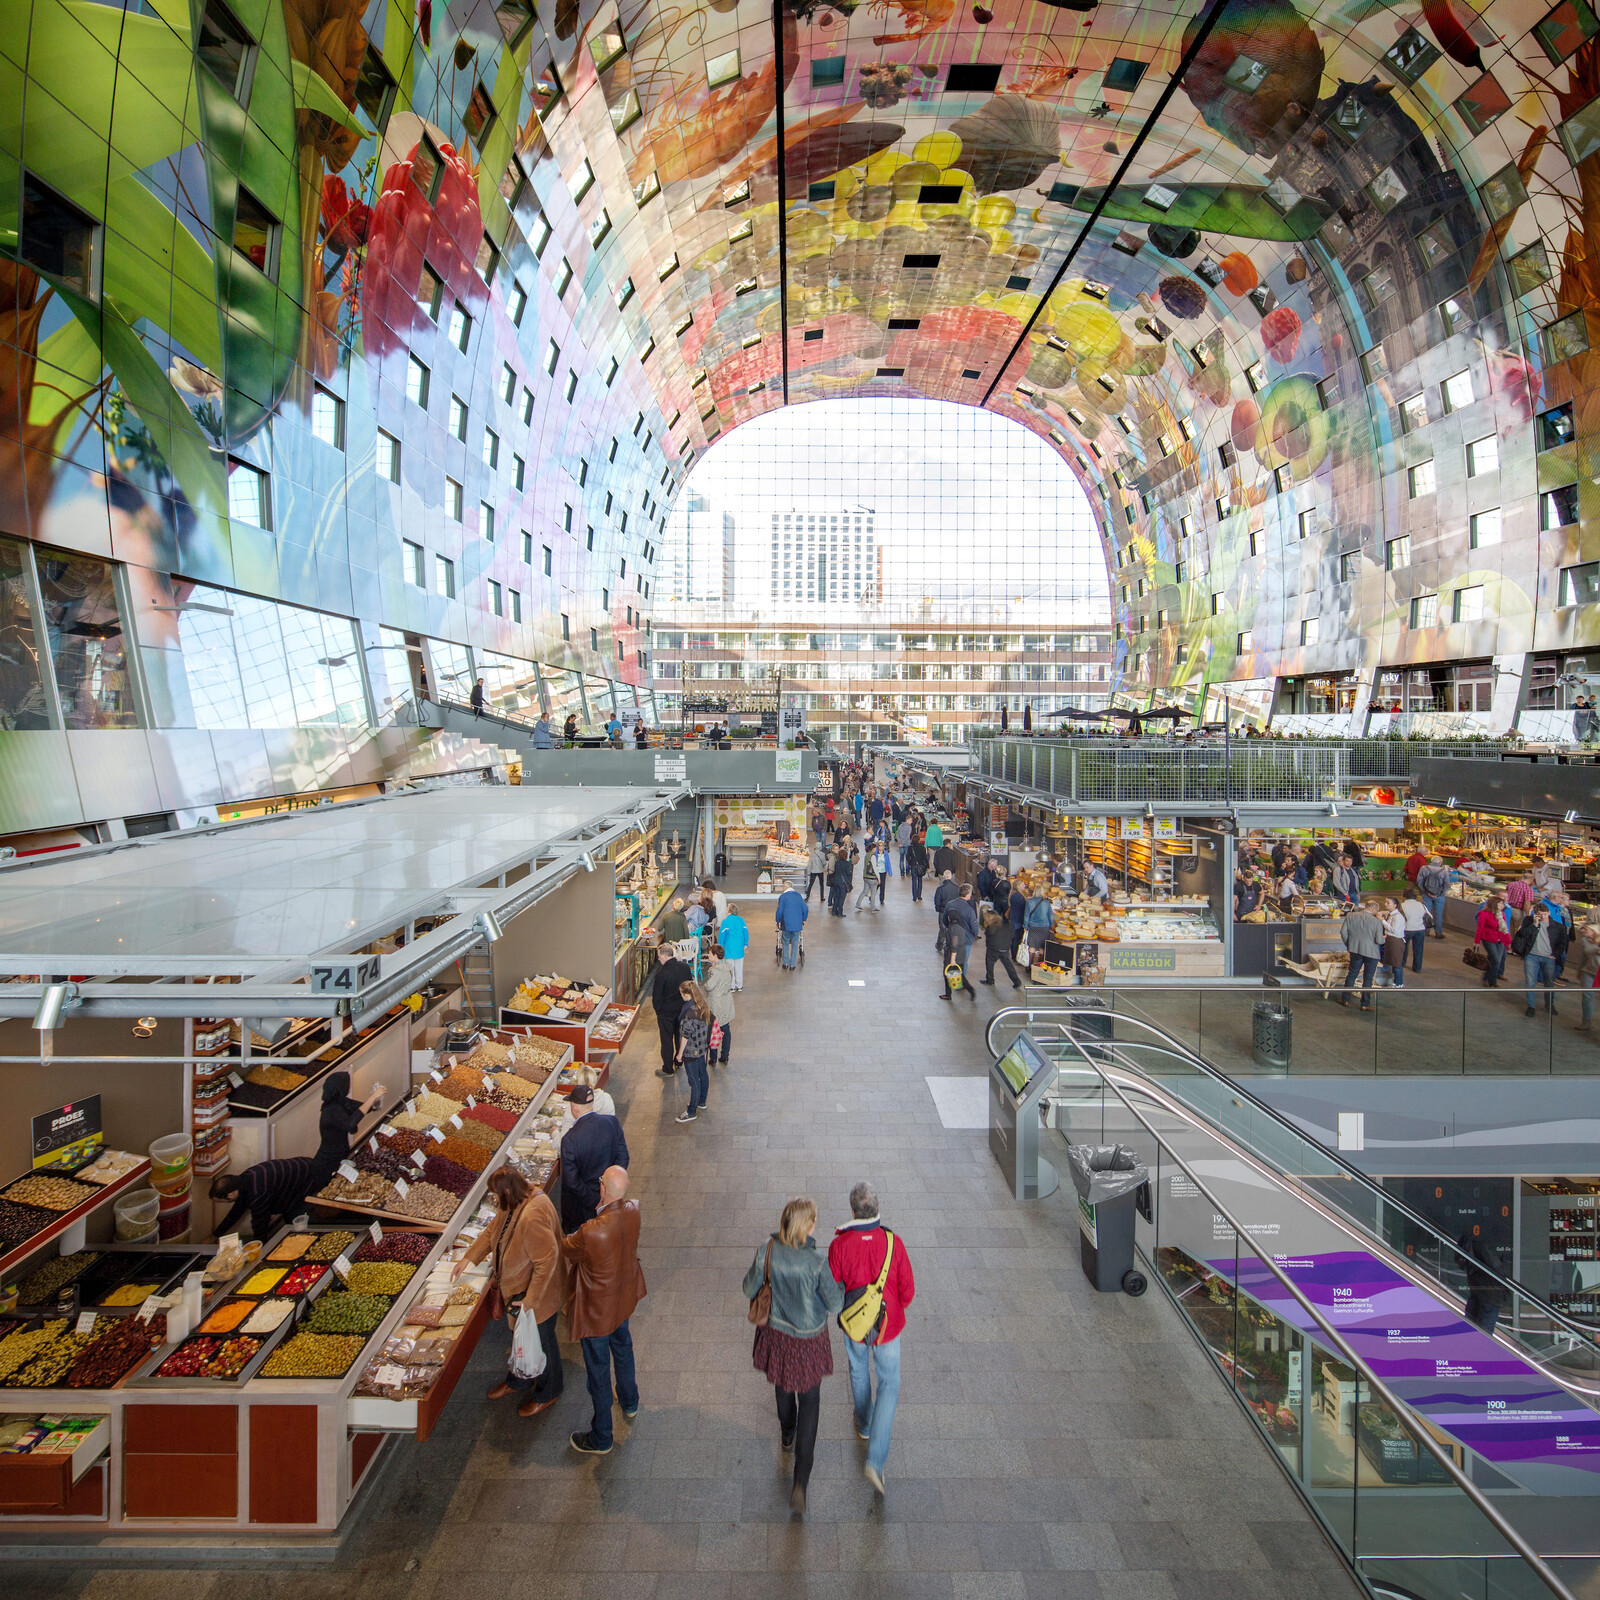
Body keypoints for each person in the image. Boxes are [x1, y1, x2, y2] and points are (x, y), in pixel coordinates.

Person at [743, 1196, 844, 1517]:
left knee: (781, 1383)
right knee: (810, 1402)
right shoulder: (816, 1263)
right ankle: (800, 1481)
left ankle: (786, 1432)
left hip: (776, 1332)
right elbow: (835, 1304)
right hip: (808, 1339)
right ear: (808, 1225)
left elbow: (748, 1289)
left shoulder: (767, 1250)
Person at [458, 1166, 568, 1416]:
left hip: (537, 1295)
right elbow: (493, 1230)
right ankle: (520, 1379)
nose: (495, 1200)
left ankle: (549, 1391)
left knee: (543, 1342)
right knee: (523, 1339)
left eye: (496, 1195)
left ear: (507, 1190)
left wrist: (531, 1300)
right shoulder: (517, 1199)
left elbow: (546, 1261)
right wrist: (469, 1258)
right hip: (520, 1292)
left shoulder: (532, 1215)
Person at [828, 1181, 915, 1496]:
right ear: (877, 1210)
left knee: (857, 1369)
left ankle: (863, 1424)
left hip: (855, 1325)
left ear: (852, 1212)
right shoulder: (894, 1243)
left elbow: (834, 1287)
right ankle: (876, 1461)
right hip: (888, 1326)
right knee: (889, 1384)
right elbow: (908, 1290)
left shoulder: (840, 1245)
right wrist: (894, 1308)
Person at [565, 1165, 645, 1456]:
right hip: (622, 1299)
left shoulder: (591, 1231)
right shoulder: (633, 1210)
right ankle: (630, 1400)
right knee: (623, 1348)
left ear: (602, 1189)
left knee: (598, 1371)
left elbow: (567, 1248)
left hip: (596, 1310)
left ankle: (601, 1437)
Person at [558, 1084, 629, 1231]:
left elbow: (572, 1181)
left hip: (581, 1209)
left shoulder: (569, 1140)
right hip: (610, 1200)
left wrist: (595, 1201)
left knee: (581, 1245)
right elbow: (622, 1159)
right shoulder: (612, 1123)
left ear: (574, 1108)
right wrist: (609, 1193)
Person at [210, 1158, 320, 1241]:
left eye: (221, 1201)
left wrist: (259, 1247)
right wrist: (215, 1235)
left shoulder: (257, 1192)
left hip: (309, 1178)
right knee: (289, 1223)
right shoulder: (244, 1179)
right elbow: (236, 1211)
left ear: (229, 1195)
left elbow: (260, 1223)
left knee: (297, 1229)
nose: (224, 1203)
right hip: (304, 1167)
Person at [313, 1070, 383, 1186]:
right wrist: (372, 1097)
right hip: (327, 1161)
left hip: (341, 1154)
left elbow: (366, 1108)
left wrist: (376, 1098)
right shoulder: (331, 1110)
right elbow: (350, 1124)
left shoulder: (341, 1101)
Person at [1512, 901, 1567, 1018]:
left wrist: (1555, 955)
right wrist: (1534, 925)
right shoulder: (1529, 921)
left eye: (1545, 914)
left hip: (1548, 958)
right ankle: (1531, 1006)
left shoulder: (1558, 927)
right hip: (1531, 956)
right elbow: (1521, 934)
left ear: (1549, 913)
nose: (1542, 917)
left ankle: (1550, 1005)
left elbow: (1562, 943)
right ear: (1535, 914)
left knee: (1549, 982)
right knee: (1530, 982)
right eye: (1539, 914)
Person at [674, 980, 712, 1123]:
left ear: (686, 994)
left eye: (681, 993)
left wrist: (679, 1054)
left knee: (693, 1080)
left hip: (691, 1050)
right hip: (701, 1048)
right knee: (703, 1074)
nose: (681, 996)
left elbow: (685, 1036)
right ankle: (702, 1101)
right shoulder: (702, 1005)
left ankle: (691, 1111)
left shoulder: (689, 1013)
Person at [651, 947, 693, 1074]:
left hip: (666, 1013)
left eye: (659, 956)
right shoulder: (684, 967)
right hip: (682, 1009)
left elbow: (657, 997)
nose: (658, 959)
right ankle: (679, 1060)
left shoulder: (661, 974)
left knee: (666, 1040)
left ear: (664, 956)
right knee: (679, 1036)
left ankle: (668, 1069)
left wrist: (659, 1011)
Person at [1337, 899, 1385, 1012]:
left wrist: (1349, 944)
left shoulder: (1350, 916)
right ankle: (1364, 1004)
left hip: (1355, 951)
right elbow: (1379, 940)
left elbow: (1343, 932)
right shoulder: (1377, 922)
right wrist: (1384, 939)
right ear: (1373, 909)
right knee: (1368, 978)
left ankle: (1345, 1000)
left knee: (1352, 974)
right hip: (1371, 953)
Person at [1458, 1230, 1508, 1337]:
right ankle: (1479, 1351)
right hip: (1491, 1293)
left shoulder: (1469, 1246)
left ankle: (1472, 1350)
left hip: (1477, 1290)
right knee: (1485, 1331)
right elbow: (1496, 1267)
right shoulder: (1483, 1246)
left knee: (1471, 1327)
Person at [939, 885, 980, 1002]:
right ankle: (961, 985)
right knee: (963, 964)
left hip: (954, 944)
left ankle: (953, 988)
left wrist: (949, 930)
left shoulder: (950, 904)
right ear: (968, 894)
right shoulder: (969, 909)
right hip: (966, 941)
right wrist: (972, 936)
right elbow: (974, 927)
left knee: (950, 968)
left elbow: (944, 920)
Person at [702, 944, 736, 1066]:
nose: (708, 955)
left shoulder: (715, 971)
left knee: (713, 1030)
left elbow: (710, 986)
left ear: (715, 956)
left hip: (716, 1003)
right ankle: (725, 1055)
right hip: (726, 1000)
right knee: (726, 1028)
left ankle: (713, 1057)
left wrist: (705, 985)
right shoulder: (727, 966)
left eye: (710, 954)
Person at [980, 907, 1024, 990]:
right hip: (1005, 948)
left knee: (989, 963)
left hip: (993, 949)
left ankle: (990, 979)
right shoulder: (1007, 924)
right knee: (1008, 965)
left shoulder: (991, 926)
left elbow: (988, 934)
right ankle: (1016, 981)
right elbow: (1012, 932)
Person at [1474, 894, 1511, 988]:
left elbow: (1504, 929)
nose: (1503, 906)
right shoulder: (1484, 914)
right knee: (1496, 959)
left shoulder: (1501, 914)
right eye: (1501, 904)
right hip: (1488, 939)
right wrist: (1477, 942)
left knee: (1493, 960)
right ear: (1495, 904)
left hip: (1500, 940)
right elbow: (1480, 928)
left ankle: (1491, 980)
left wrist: (1508, 942)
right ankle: (1489, 979)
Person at [1417, 856, 1452, 942]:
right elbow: (1447, 884)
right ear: (1440, 862)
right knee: (1438, 914)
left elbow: (1419, 881)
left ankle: (1426, 930)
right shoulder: (1444, 871)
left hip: (1426, 894)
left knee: (1426, 912)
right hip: (1439, 896)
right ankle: (1438, 932)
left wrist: (1425, 891)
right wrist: (1440, 894)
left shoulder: (1424, 868)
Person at [775, 881, 807, 970]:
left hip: (786, 924)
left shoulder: (783, 897)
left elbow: (779, 910)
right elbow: (805, 908)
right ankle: (792, 964)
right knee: (795, 942)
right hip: (797, 924)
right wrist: (803, 919)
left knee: (785, 942)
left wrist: (777, 920)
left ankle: (785, 963)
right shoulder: (798, 896)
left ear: (785, 887)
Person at [1575, 919, 1600, 1033]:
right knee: (1587, 996)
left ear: (1593, 931)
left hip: (1598, 973)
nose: (1583, 930)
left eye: (1586, 929)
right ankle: (1586, 1021)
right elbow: (1582, 957)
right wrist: (1579, 970)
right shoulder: (1584, 941)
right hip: (1588, 972)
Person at [716, 904, 748, 990]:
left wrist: (720, 946)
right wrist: (746, 943)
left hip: (729, 948)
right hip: (739, 948)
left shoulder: (725, 922)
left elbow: (722, 935)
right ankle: (739, 985)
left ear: (729, 911)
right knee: (739, 968)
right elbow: (745, 932)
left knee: (730, 969)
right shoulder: (741, 920)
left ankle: (732, 986)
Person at [1399, 887, 1429, 973]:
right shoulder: (1421, 904)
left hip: (1407, 929)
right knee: (1418, 949)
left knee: (1404, 947)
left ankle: (1402, 963)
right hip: (1420, 929)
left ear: (1404, 896)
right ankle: (1417, 967)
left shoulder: (1402, 905)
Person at [1381, 896, 1407, 989]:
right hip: (1390, 940)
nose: (1385, 904)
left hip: (1396, 941)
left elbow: (1394, 930)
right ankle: (1395, 981)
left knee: (1396, 963)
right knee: (1392, 961)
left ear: (1395, 905)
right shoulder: (1391, 914)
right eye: (1385, 902)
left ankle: (1398, 983)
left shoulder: (1398, 917)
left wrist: (1382, 921)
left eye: (1388, 903)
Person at [1023, 887, 1054, 958]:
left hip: (1033, 927)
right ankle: (1039, 965)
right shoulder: (1046, 902)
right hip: (1044, 927)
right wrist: (1050, 926)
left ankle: (1029, 966)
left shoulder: (1029, 901)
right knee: (1042, 947)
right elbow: (1051, 916)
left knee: (1032, 947)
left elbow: (1026, 916)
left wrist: (1026, 926)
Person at [828, 845, 853, 918]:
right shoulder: (847, 863)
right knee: (842, 898)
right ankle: (840, 912)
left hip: (836, 882)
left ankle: (834, 911)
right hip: (843, 883)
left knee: (836, 897)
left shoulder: (837, 863)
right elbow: (848, 873)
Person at [904, 833, 929, 903]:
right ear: (918, 839)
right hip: (920, 865)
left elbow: (907, 857)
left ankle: (914, 896)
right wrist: (927, 865)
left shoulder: (910, 848)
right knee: (920, 880)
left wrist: (909, 863)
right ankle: (919, 895)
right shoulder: (922, 847)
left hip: (913, 865)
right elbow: (925, 857)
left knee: (914, 881)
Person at [855, 846, 880, 912]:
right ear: (873, 848)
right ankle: (873, 907)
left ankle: (858, 904)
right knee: (873, 893)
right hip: (872, 877)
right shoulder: (873, 856)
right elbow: (874, 867)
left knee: (864, 891)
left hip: (865, 876)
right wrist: (878, 877)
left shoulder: (867, 855)